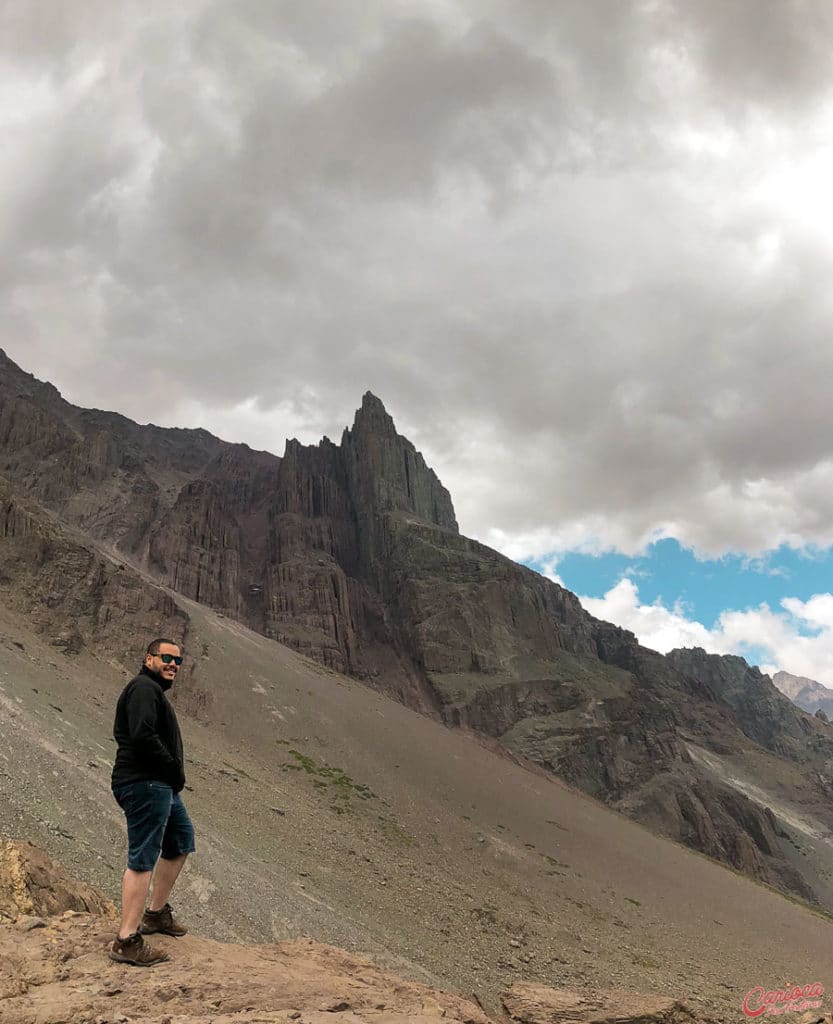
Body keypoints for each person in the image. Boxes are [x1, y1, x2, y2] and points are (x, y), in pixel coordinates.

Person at [109, 638, 195, 966]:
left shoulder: (152, 691)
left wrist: (171, 779)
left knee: (181, 839)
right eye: (167, 657)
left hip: (159, 785)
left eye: (178, 660)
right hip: (145, 782)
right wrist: (172, 769)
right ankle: (127, 940)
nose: (173, 664)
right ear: (149, 659)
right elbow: (143, 735)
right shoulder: (144, 688)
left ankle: (156, 915)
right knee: (142, 857)